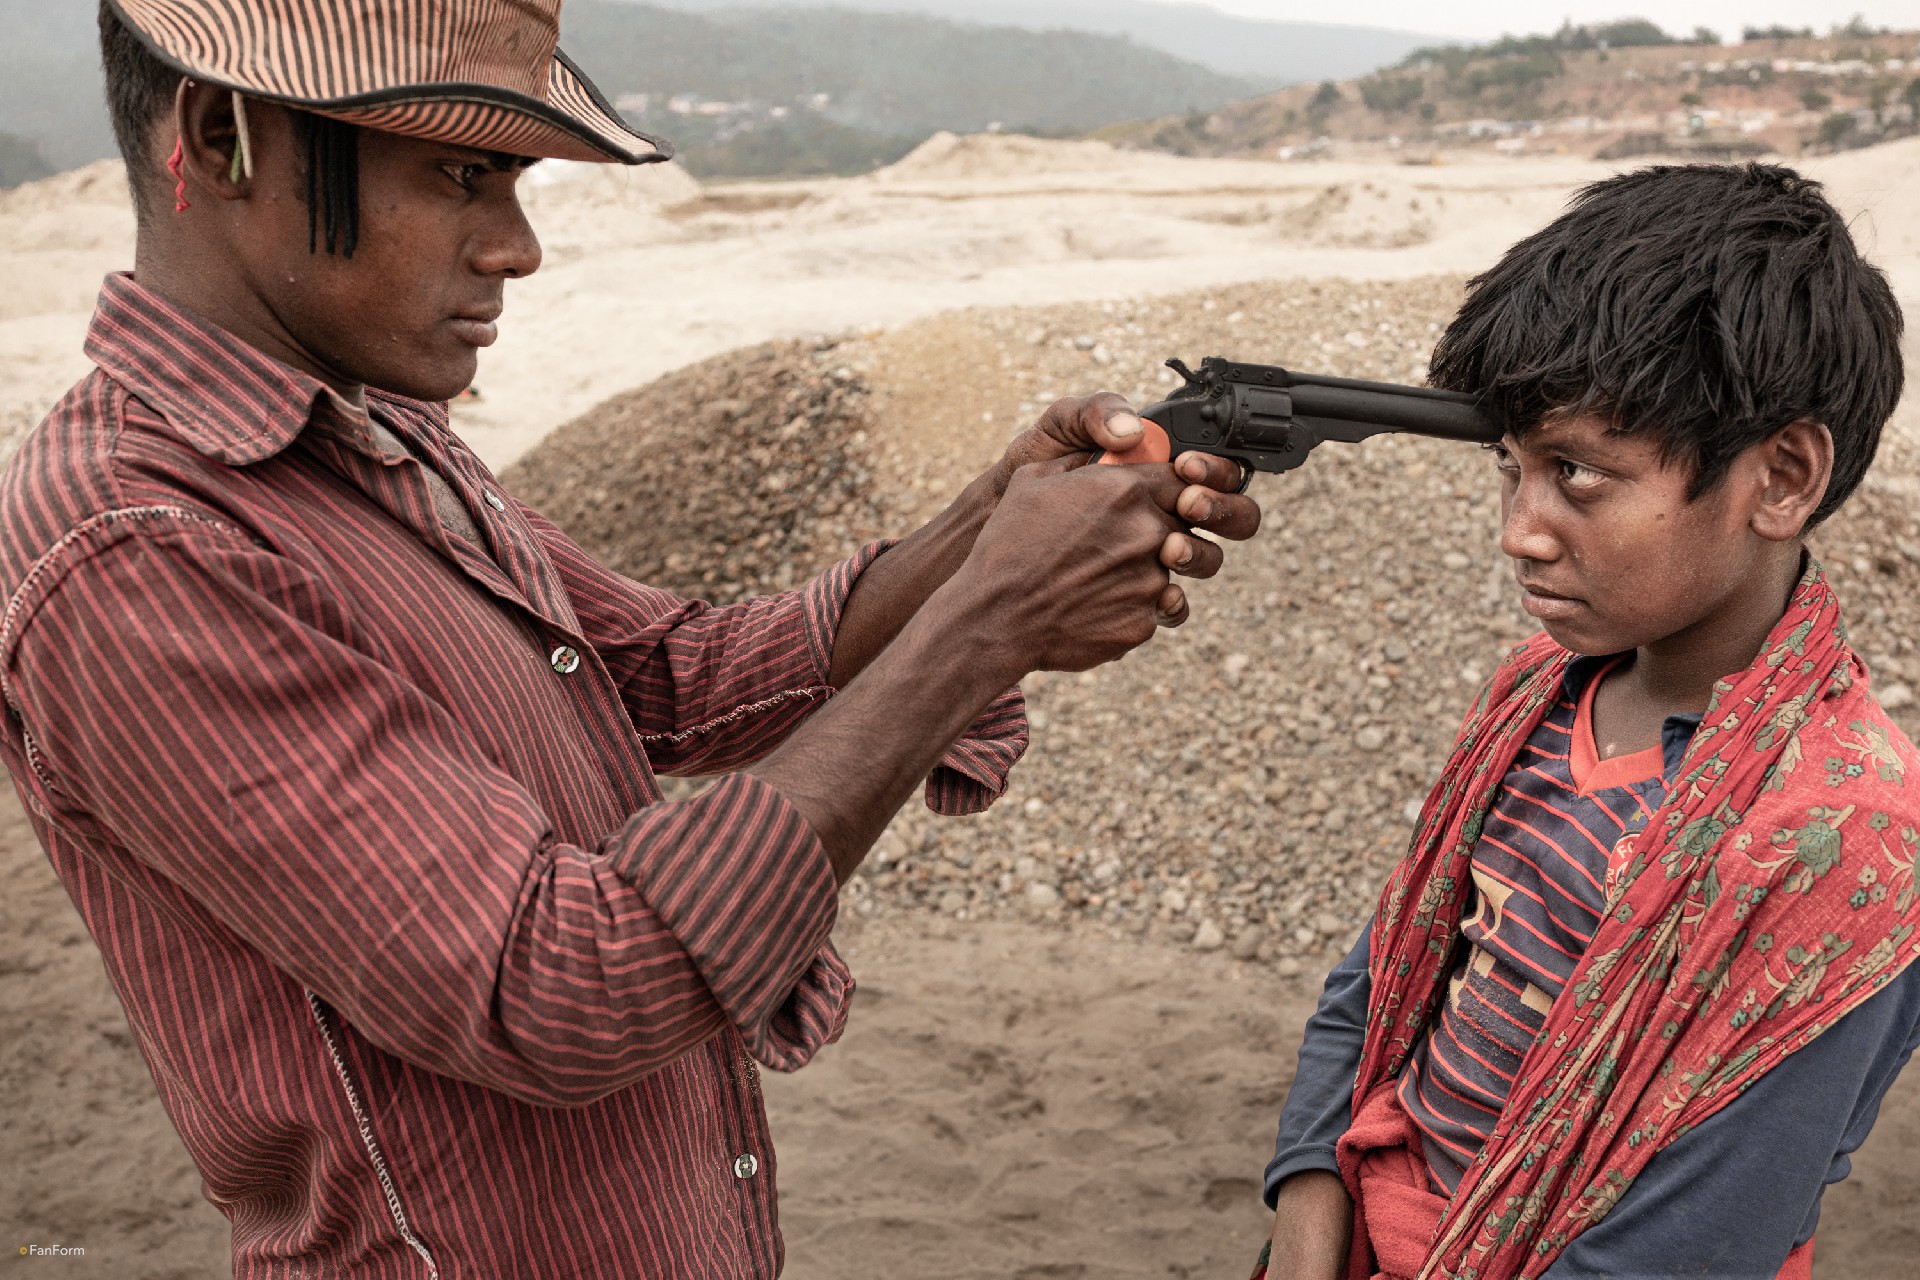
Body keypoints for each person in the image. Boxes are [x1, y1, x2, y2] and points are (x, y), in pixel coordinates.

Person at [0, 2, 1262, 1276]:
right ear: (224, 136)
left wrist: (987, 521)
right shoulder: (135, 543)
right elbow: (557, 983)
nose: (518, 246)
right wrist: (988, 623)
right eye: (461, 175)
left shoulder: (376, 425)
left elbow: (665, 678)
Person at [1258, 163, 1920, 1280]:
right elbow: (1377, 986)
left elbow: (1694, 1244)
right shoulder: (1536, 694)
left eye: (1577, 473)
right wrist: (1308, 1221)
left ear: (1782, 476)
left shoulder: (1845, 839)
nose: (1520, 530)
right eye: (1510, 469)